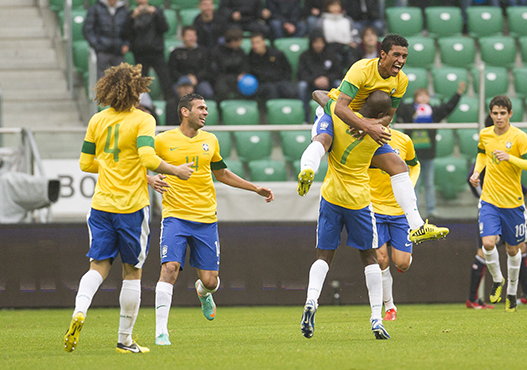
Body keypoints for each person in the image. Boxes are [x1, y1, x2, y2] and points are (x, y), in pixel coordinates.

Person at [63, 63, 194, 354]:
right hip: (131, 208)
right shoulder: (142, 120)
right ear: (137, 90)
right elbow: (147, 156)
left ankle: (80, 310)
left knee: (97, 266)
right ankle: (125, 339)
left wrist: (117, 168)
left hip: (101, 206)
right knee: (132, 271)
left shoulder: (98, 119)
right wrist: (174, 169)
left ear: (108, 89)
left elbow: (86, 163)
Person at [298, 34, 448, 244]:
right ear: (383, 54)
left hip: (363, 125)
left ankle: (416, 227)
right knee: (323, 139)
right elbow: (340, 107)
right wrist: (367, 125)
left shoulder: (401, 81)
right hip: (336, 113)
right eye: (396, 55)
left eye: (404, 56)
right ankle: (307, 170)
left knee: (399, 166)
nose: (401, 60)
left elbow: (389, 116)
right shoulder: (361, 69)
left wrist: (374, 125)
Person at [153, 93, 273, 346]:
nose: (206, 112)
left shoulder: (211, 140)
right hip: (175, 216)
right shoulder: (162, 140)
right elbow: (135, 164)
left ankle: (203, 293)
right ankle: (161, 331)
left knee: (210, 280)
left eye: (207, 108)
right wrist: (149, 178)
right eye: (201, 108)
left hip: (206, 218)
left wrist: (254, 188)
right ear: (185, 112)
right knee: (170, 269)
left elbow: (221, 173)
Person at [300, 90, 396, 340]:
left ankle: (311, 300)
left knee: (323, 256)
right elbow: (385, 127)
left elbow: (319, 95)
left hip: (331, 197)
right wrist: (377, 123)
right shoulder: (381, 136)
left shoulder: (340, 119)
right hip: (359, 202)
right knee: (370, 258)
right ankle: (376, 318)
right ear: (381, 115)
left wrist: (338, 104)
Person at [465, 116, 527, 309]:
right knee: (485, 247)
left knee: (517, 248)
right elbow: (475, 176)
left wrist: (526, 191)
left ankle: (523, 292)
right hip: (491, 207)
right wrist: (484, 199)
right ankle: (473, 297)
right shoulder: (486, 146)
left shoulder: (510, 144)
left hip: (511, 206)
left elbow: (508, 177)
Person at [371, 128, 420, 321]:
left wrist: (409, 185)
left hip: (400, 211)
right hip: (374, 209)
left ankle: (402, 258)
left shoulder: (403, 140)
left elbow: (415, 165)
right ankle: (389, 307)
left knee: (402, 263)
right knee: (381, 260)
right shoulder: (364, 139)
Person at [395, 85, 465, 219]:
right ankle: (414, 212)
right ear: (415, 98)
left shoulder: (433, 111)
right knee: (413, 184)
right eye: (420, 95)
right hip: (412, 155)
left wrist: (458, 94)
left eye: (425, 95)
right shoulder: (409, 109)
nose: (423, 98)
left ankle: (431, 211)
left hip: (428, 154)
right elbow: (399, 106)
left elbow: (447, 108)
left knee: (429, 184)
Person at [122, 0, 173, 100]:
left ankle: (171, 103)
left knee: (166, 80)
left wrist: (156, 13)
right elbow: (125, 33)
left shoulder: (157, 11)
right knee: (140, 83)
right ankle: (140, 104)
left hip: (156, 52)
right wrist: (132, 17)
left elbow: (165, 28)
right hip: (140, 53)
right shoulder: (130, 14)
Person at [297, 30, 342, 117]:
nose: (319, 45)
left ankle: (339, 115)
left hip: (329, 83)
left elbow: (338, 72)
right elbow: (301, 73)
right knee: (302, 86)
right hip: (311, 84)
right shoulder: (305, 56)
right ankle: (304, 117)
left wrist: (327, 79)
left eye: (321, 42)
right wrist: (314, 80)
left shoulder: (331, 55)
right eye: (316, 42)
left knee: (339, 84)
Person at [83, 0, 130, 80]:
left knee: (120, 81)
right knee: (101, 80)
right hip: (102, 51)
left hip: (118, 51)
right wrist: (97, 45)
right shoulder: (95, 9)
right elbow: (88, 30)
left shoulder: (123, 11)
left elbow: (128, 31)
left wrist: (126, 44)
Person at [247, 32, 298, 105]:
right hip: (262, 84)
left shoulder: (276, 54)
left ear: (263, 42)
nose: (255, 46)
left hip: (280, 81)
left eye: (257, 42)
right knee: (271, 89)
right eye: (253, 43)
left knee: (290, 91)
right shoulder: (250, 58)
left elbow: (287, 69)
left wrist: (284, 79)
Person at [168, 26, 214, 100]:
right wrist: (185, 79)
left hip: (199, 80)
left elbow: (207, 69)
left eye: (194, 35)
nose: (192, 38)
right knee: (173, 93)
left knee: (207, 92)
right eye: (189, 36)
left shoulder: (203, 51)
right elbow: (172, 70)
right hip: (181, 80)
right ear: (183, 37)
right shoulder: (176, 52)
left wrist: (196, 78)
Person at [317, 0, 361, 71]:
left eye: (337, 6)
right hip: (329, 48)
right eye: (332, 6)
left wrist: (354, 42)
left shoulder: (348, 20)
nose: (335, 8)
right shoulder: (322, 21)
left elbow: (355, 34)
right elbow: (319, 36)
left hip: (346, 47)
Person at [211, 27, 248, 103]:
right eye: (239, 41)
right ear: (233, 42)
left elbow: (245, 66)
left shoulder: (241, 52)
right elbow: (217, 71)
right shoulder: (217, 52)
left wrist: (243, 73)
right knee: (222, 88)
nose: (241, 43)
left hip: (237, 78)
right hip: (222, 78)